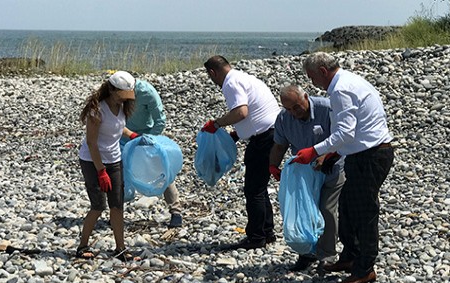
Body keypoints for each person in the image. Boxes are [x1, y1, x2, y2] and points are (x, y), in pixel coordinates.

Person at [294, 52, 394, 283]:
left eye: (311, 77)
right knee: (347, 207)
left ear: (322, 71)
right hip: (361, 152)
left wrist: (315, 151)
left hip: (370, 156)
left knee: (364, 213)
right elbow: (356, 129)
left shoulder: (341, 90)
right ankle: (350, 257)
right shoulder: (348, 81)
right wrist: (335, 153)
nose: (312, 82)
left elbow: (345, 133)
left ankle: (365, 268)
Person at [201, 55, 279, 250]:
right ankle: (267, 231)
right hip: (272, 133)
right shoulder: (244, 77)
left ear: (213, 72)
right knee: (260, 187)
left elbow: (241, 112)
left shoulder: (230, 83)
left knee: (253, 190)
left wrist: (216, 123)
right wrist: (237, 133)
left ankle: (256, 237)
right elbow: (253, 112)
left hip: (263, 138)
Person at [269, 85, 345, 271]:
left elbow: (343, 136)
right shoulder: (284, 118)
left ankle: (327, 254)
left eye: (296, 107)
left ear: (305, 97)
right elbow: (279, 145)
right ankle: (307, 252)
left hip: (331, 168)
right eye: (288, 109)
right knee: (304, 210)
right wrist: (273, 166)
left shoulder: (326, 109)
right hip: (303, 173)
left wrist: (326, 155)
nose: (293, 112)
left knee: (326, 209)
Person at [77, 70, 139, 261]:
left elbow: (119, 128)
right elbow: (91, 143)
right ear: (112, 90)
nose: (124, 100)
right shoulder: (97, 110)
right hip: (92, 161)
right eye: (121, 95)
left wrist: (134, 136)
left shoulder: (121, 107)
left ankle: (120, 248)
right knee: (98, 206)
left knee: (117, 206)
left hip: (114, 160)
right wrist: (101, 171)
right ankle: (82, 245)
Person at [121, 79, 183, 228]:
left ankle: (176, 211)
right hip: (123, 136)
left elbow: (160, 121)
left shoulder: (146, 92)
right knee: (121, 173)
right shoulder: (113, 92)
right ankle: (117, 213)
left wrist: (149, 140)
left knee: (163, 170)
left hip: (147, 136)